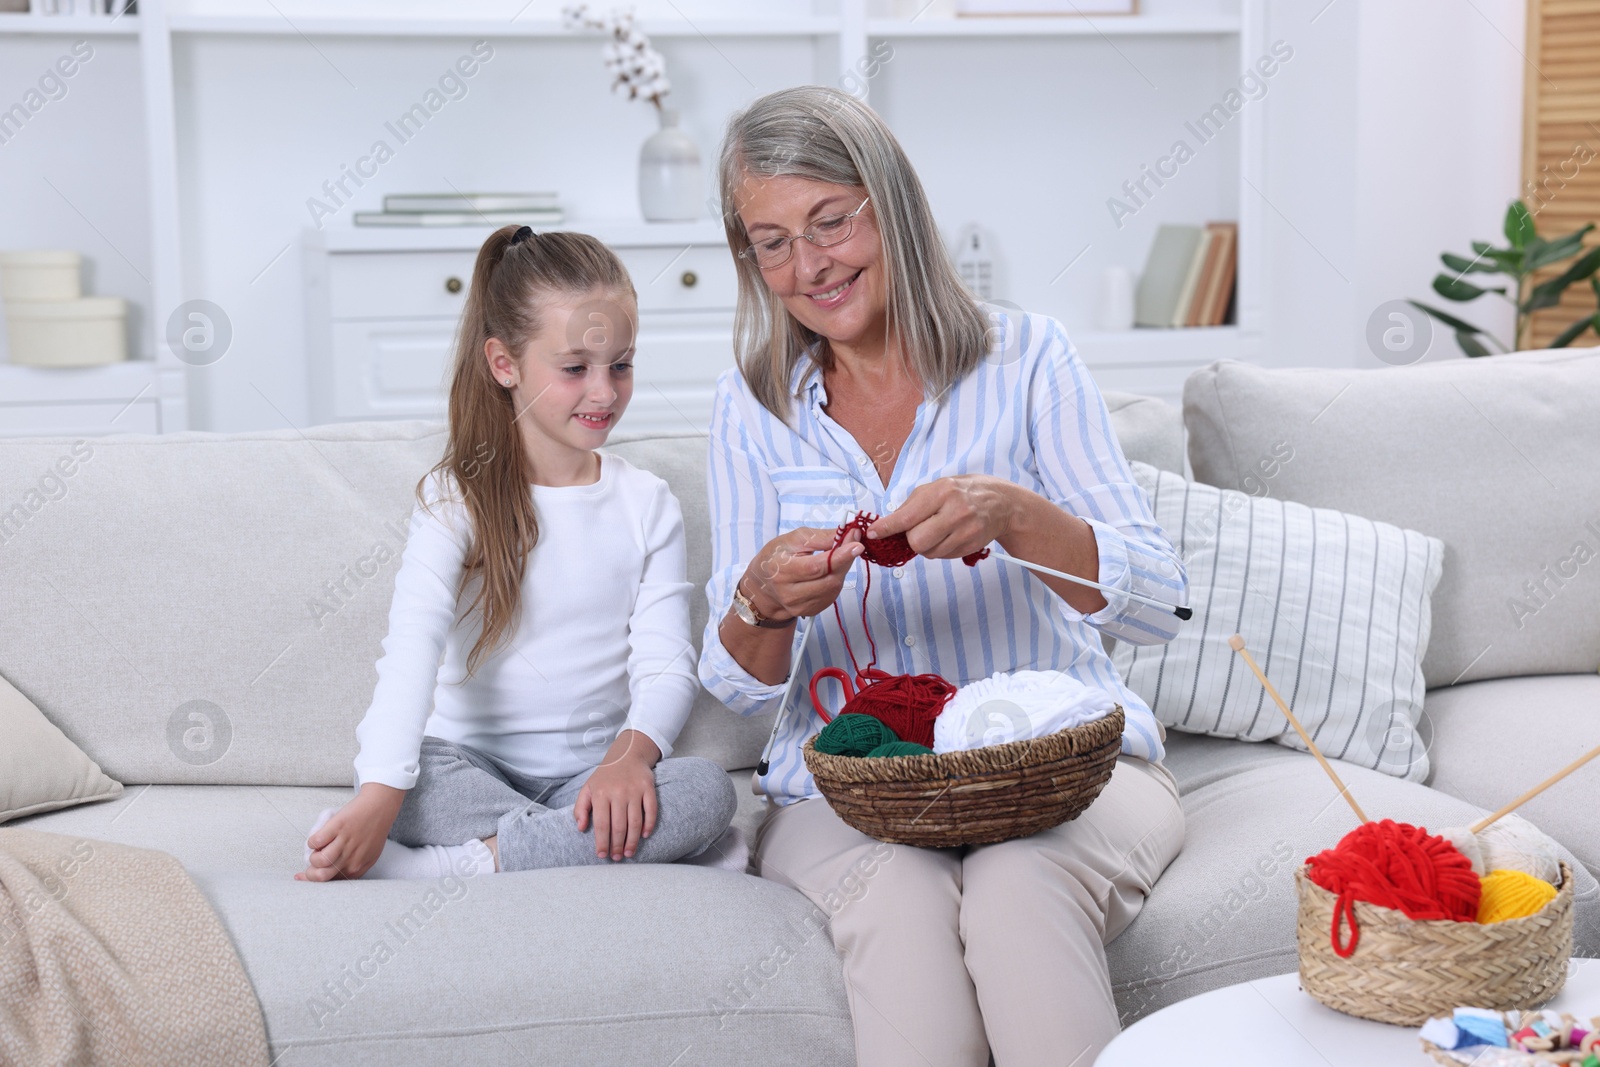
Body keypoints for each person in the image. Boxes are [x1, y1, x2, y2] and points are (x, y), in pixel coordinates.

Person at [698, 87, 1189, 1066]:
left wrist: (1017, 515)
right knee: (900, 893)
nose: (810, 265)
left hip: (1065, 766)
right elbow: (737, 684)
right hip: (845, 793)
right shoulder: (751, 406)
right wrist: (760, 600)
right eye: (773, 241)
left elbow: (1159, 602)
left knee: (1018, 885)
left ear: (890, 205)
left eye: (831, 222)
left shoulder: (1030, 358)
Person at [298, 225, 738, 883]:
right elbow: (411, 649)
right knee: (409, 785)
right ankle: (571, 848)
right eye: (574, 369)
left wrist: (629, 756)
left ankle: (471, 863)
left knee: (707, 791)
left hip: (591, 779)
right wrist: (379, 795)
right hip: (466, 770)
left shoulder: (647, 503)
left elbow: (666, 663)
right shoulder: (456, 498)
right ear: (505, 363)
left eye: (621, 364)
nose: (604, 391)